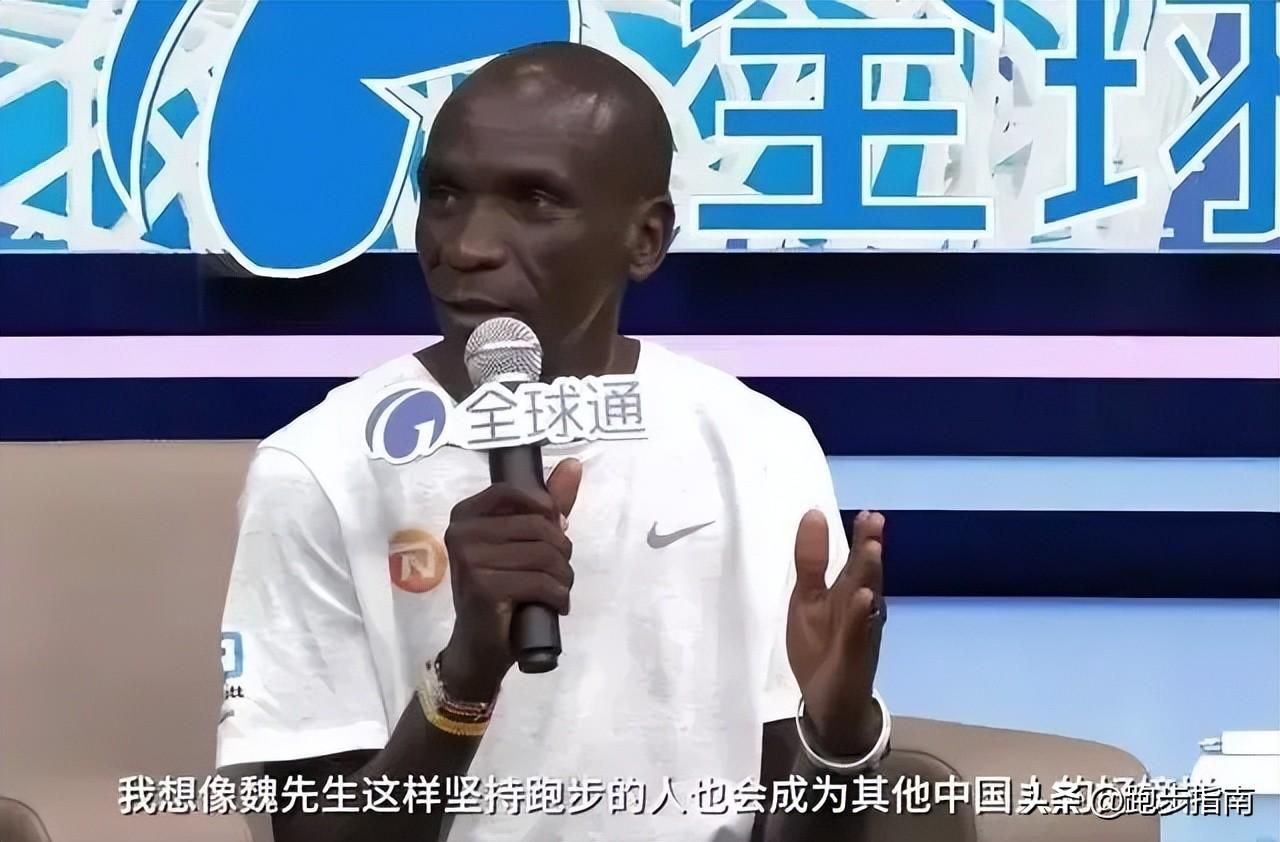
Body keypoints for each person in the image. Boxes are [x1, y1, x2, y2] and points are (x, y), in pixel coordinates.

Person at [216, 41, 889, 842]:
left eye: (534, 200)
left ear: (646, 238)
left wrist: (838, 740)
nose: (465, 246)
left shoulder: (759, 446)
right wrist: (466, 674)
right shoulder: (320, 468)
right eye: (444, 195)